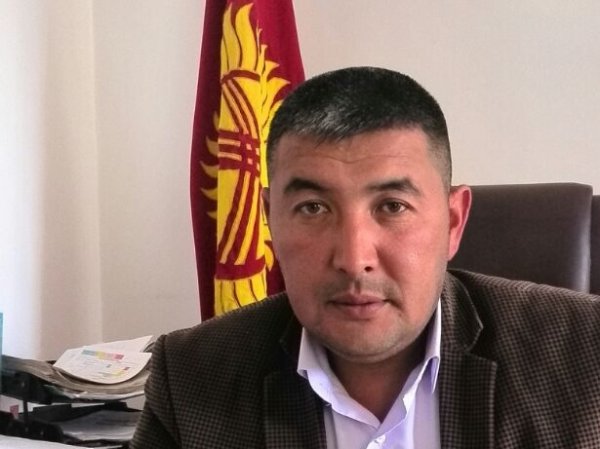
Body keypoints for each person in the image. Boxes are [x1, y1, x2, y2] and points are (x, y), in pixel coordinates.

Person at [131, 67, 600, 449]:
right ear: (271, 221)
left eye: (392, 207)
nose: (354, 260)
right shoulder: (192, 375)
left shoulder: (587, 353)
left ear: (454, 222)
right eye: (313, 208)